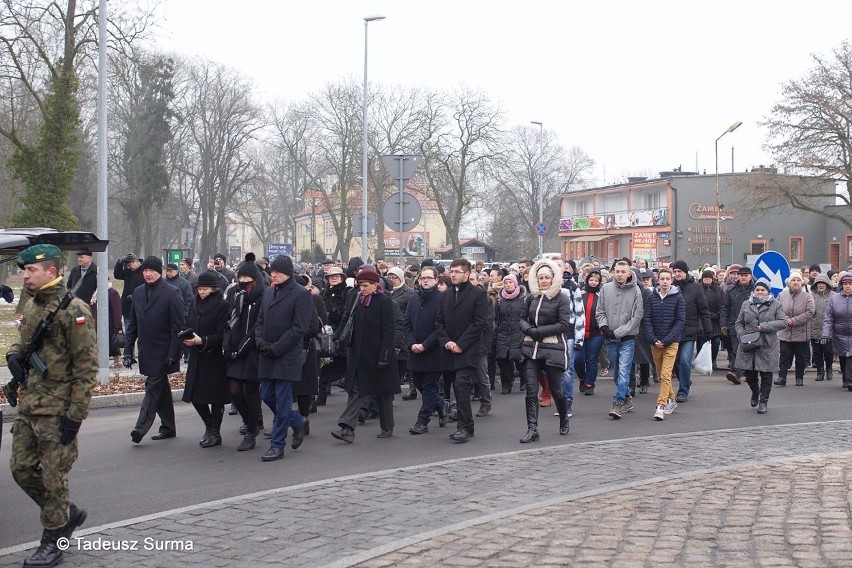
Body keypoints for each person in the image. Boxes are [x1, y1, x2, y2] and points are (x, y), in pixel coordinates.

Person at [7, 244, 97, 568]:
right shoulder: (32, 302)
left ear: (52, 271)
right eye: (24, 270)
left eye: (31, 270)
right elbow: (23, 335)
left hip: (57, 410)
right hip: (30, 404)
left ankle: (54, 542)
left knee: (53, 478)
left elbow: (87, 370)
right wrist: (14, 354)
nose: (24, 275)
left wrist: (75, 416)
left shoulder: (75, 310)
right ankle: (65, 514)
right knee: (20, 469)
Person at [331, 267, 400, 442]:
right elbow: (348, 319)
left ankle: (387, 426)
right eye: (360, 285)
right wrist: (338, 338)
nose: (363, 288)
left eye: (366, 285)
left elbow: (389, 332)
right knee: (355, 390)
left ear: (376, 284)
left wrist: (384, 356)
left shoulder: (385, 302)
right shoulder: (358, 299)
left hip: (378, 356)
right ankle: (347, 429)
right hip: (358, 355)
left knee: (383, 393)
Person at [254, 254, 311, 461]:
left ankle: (277, 445)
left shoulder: (300, 294)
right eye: (272, 272)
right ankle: (297, 421)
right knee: (266, 395)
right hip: (267, 354)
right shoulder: (269, 293)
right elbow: (259, 322)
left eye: (277, 272)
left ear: (287, 273)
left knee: (282, 400)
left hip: (286, 356)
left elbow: (299, 328)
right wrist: (260, 342)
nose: (273, 275)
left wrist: (276, 348)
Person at [126, 256, 185, 443]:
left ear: (159, 272)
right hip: (146, 350)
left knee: (152, 388)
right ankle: (168, 427)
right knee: (161, 390)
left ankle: (140, 428)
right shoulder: (138, 292)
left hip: (164, 352)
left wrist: (174, 353)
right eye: (145, 270)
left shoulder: (172, 292)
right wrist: (128, 351)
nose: (148, 274)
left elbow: (178, 327)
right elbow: (132, 325)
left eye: (151, 270)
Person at [518, 259, 573, 442]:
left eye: (546, 278)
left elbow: (564, 324)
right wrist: (528, 330)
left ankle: (564, 418)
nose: (543, 281)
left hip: (552, 348)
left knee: (556, 389)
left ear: (553, 279)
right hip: (531, 349)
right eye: (540, 277)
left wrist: (539, 332)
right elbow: (522, 318)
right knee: (531, 391)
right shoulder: (531, 297)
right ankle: (532, 428)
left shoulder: (562, 298)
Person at [435, 259, 489, 443]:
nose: (453, 274)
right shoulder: (446, 295)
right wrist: (448, 342)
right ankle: (466, 425)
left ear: (466, 274)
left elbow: (479, 323)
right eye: (452, 271)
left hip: (468, 349)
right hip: (450, 349)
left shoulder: (478, 295)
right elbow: (439, 322)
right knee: (456, 389)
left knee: (462, 385)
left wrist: (461, 344)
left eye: (457, 271)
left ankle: (464, 427)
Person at [181, 271, 231, 448]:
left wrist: (203, 340)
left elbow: (222, 333)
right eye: (200, 289)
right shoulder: (195, 303)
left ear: (214, 289)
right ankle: (209, 426)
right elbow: (188, 323)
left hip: (215, 357)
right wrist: (186, 336)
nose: (202, 292)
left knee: (215, 398)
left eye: (205, 289)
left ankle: (215, 433)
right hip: (197, 355)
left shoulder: (223, 306)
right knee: (195, 395)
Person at [224, 259, 267, 451]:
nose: (242, 281)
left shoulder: (263, 297)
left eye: (246, 277)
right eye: (240, 277)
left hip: (253, 351)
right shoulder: (236, 295)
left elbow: (259, 326)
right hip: (235, 350)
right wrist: (229, 347)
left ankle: (251, 431)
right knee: (234, 389)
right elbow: (230, 322)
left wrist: (243, 348)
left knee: (251, 390)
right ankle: (250, 420)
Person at [596, 259, 644, 419]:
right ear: (613, 272)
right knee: (617, 374)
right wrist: (604, 327)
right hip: (610, 338)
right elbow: (600, 311)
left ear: (629, 273)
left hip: (627, 338)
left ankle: (617, 403)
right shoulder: (606, 289)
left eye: (623, 272)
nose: (620, 274)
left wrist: (618, 332)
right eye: (617, 271)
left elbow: (636, 317)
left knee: (623, 371)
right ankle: (627, 399)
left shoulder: (636, 290)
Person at [735, 280, 787, 413]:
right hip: (749, 344)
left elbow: (783, 322)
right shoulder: (746, 304)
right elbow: (739, 323)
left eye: (762, 290)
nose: (759, 292)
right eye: (757, 290)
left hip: (767, 344)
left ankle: (763, 401)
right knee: (750, 374)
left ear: (768, 292)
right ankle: (755, 391)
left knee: (766, 374)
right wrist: (742, 335)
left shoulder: (776, 305)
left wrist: (764, 327)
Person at [642, 267, 685, 420]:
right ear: (658, 280)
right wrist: (653, 338)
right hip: (655, 342)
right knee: (661, 376)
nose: (665, 281)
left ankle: (660, 405)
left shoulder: (678, 297)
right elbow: (647, 319)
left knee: (666, 374)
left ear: (672, 280)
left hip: (671, 343)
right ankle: (671, 399)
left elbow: (680, 321)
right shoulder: (651, 297)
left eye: (668, 279)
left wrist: (667, 339)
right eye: (662, 279)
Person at [670, 260, 712, 403]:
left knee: (685, 361)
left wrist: (708, 331)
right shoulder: (670, 287)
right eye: (674, 272)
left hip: (689, 331)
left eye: (679, 272)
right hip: (672, 332)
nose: (676, 274)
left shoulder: (695, 288)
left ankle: (683, 390)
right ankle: (686, 379)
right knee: (674, 363)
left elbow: (704, 310)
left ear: (685, 272)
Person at [774, 271, 815, 387]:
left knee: (800, 357)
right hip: (785, 332)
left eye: (798, 280)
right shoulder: (782, 295)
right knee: (784, 356)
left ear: (802, 282)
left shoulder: (807, 296)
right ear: (789, 282)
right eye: (793, 280)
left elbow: (810, 312)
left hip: (801, 332)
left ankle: (799, 377)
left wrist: (794, 321)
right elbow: (777, 309)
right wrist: (786, 319)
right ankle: (782, 377)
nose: (795, 282)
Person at [317, 265, 348, 406]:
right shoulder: (324, 293)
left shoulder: (346, 293)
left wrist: (331, 314)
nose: (334, 278)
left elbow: (345, 314)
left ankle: (354, 399)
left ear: (342, 278)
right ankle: (321, 396)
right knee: (325, 365)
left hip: (341, 334)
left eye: (337, 276)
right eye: (331, 276)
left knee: (346, 365)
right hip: (326, 335)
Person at [721, 266, 756, 385]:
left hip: (752, 325)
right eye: (741, 275)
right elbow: (725, 308)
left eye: (746, 275)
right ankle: (735, 373)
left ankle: (749, 373)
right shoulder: (731, 290)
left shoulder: (756, 289)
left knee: (750, 349)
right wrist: (723, 324)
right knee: (737, 349)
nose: (743, 277)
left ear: (750, 277)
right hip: (734, 324)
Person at [575, 269, 605, 396]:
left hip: (596, 334)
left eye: (596, 280)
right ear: (587, 280)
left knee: (591, 359)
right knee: (578, 359)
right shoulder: (580, 294)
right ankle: (582, 379)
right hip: (579, 333)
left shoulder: (602, 296)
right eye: (591, 280)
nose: (593, 282)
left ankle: (589, 384)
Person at [388, 266, 416, 401]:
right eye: (390, 277)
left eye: (395, 278)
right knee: (394, 362)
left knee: (407, 360)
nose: (392, 280)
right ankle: (392, 389)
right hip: (389, 330)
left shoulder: (409, 293)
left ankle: (412, 387)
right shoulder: (386, 292)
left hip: (404, 330)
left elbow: (412, 312)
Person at [494, 273, 526, 394]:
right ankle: (506, 384)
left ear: (515, 283)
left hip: (519, 332)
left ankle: (524, 381)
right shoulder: (500, 300)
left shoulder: (523, 298)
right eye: (506, 283)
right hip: (503, 333)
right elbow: (496, 317)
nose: (508, 285)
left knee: (520, 359)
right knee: (504, 361)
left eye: (510, 282)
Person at [821, 272, 852, 390]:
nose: (848, 286)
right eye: (845, 284)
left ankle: (850, 380)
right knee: (843, 358)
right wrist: (825, 334)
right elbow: (828, 318)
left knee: (850, 357)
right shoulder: (835, 299)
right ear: (841, 286)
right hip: (839, 335)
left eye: (850, 284)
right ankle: (845, 377)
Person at [809, 274, 835, 381]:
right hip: (814, 329)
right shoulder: (811, 296)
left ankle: (829, 369)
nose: (821, 285)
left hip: (829, 330)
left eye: (823, 283)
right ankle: (820, 371)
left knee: (828, 352)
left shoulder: (833, 295)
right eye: (819, 283)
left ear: (827, 284)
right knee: (817, 352)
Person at [698, 269, 723, 370]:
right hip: (702, 320)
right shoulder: (698, 289)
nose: (707, 279)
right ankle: (702, 359)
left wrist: (717, 314)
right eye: (705, 278)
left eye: (709, 278)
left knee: (716, 341)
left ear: (712, 279)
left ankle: (713, 359)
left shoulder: (718, 290)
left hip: (715, 320)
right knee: (702, 341)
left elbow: (722, 304)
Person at [113, 252, 144, 331]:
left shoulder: (145, 271)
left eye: (129, 265)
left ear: (135, 261)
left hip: (141, 306)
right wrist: (120, 262)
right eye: (127, 266)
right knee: (128, 332)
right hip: (127, 307)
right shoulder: (128, 272)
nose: (129, 268)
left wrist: (134, 296)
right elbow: (117, 275)